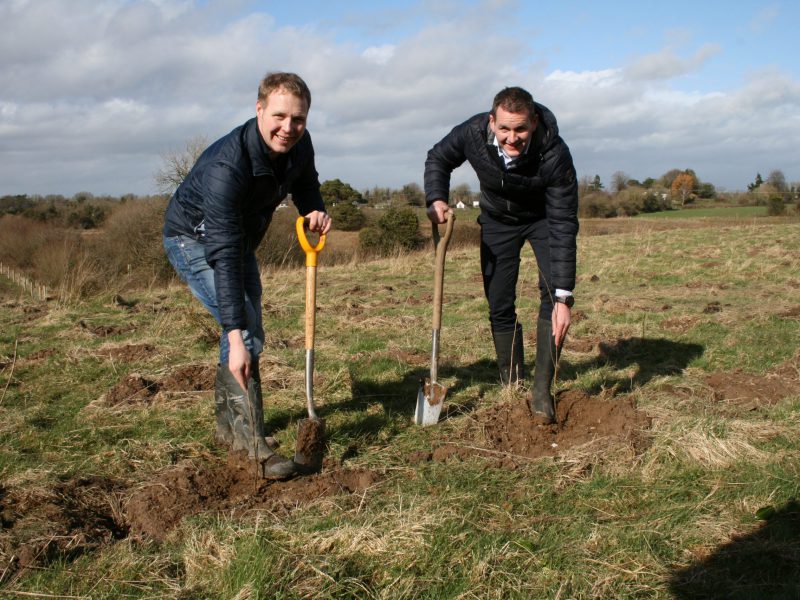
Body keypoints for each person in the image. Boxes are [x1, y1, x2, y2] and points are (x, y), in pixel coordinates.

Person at [163, 72, 332, 477]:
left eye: (298, 120)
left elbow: (305, 181)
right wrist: (235, 335)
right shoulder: (228, 166)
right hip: (195, 240)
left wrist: (314, 207)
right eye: (279, 116)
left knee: (246, 327)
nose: (288, 128)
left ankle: (233, 431)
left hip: (238, 239)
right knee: (244, 330)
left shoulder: (299, 145)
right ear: (259, 110)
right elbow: (220, 250)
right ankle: (249, 444)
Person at [424, 86, 578, 424]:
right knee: (499, 301)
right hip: (497, 220)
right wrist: (436, 197)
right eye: (505, 128)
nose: (512, 137)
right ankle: (512, 382)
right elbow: (439, 157)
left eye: (521, 129)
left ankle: (541, 392)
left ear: (534, 123)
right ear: (492, 122)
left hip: (543, 220)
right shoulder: (473, 134)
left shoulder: (554, 153)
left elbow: (564, 223)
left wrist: (565, 295)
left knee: (554, 297)